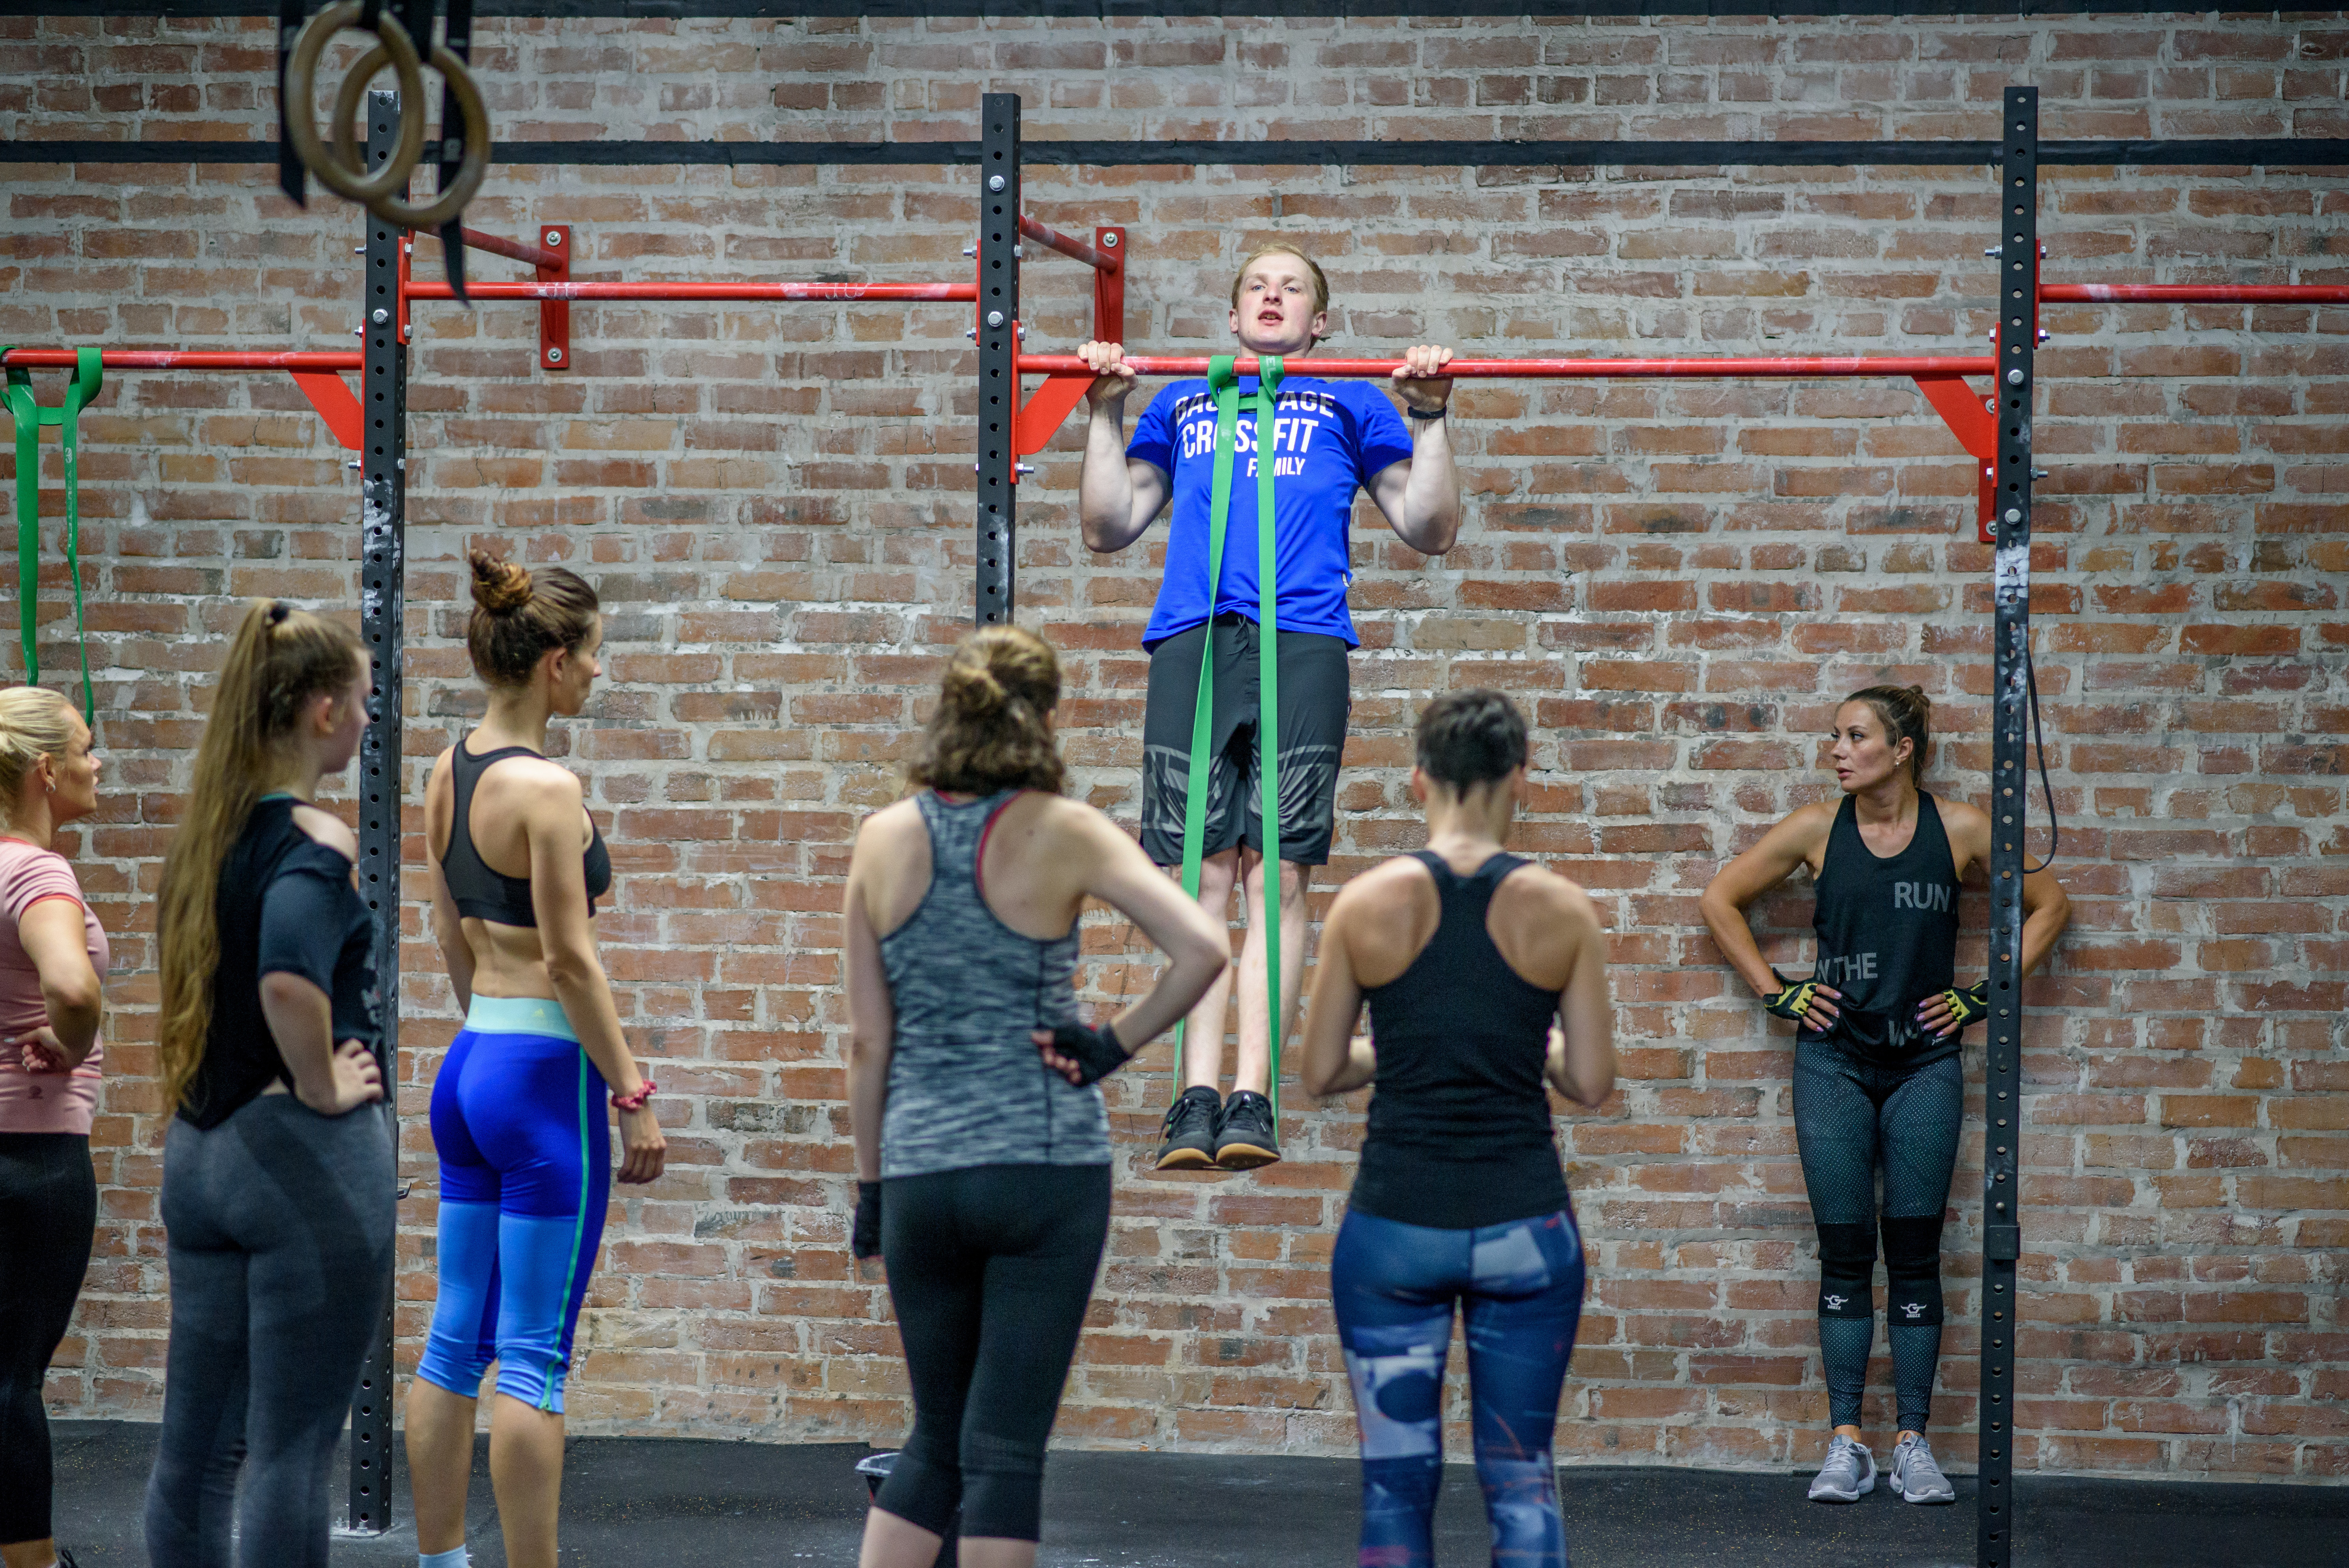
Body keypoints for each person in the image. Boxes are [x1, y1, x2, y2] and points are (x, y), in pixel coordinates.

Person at [1075, 244, 1463, 1172]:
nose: (1275, 296)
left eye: (1295, 288)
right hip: (1196, 636)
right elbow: (1107, 526)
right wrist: (1104, 411)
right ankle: (1193, 1093)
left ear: (1319, 322)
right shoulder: (1183, 401)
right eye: (1259, 285)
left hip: (1304, 639)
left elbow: (1430, 528)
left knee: (1276, 875)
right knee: (1202, 875)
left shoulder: (1349, 401)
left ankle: (1254, 1095)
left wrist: (1434, 418)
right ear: (1236, 313)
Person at [846, 626, 1226, 1568]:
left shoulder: (883, 838)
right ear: (1045, 716)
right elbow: (1205, 950)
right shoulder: (1067, 828)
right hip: (1044, 1170)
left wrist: (872, 1190)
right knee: (1004, 1454)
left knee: (935, 1443)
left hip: (922, 1174)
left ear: (950, 711)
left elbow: (867, 1042)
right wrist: (1110, 1046)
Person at [1698, 684, 2070, 1506]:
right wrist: (1778, 992)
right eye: (1834, 735)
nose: (1837, 749)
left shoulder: (1962, 829)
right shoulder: (1813, 829)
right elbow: (1719, 900)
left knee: (1913, 1255)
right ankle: (1846, 1444)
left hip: (1925, 1067)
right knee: (1843, 1254)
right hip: (1832, 1063)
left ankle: (1911, 1443)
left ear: (1901, 750)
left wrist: (1982, 997)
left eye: (1855, 735)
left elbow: (2051, 906)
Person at [1298, 689, 1615, 1568]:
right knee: (1521, 1478)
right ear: (1520, 777)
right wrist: (1532, 1043)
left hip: (1396, 1233)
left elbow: (1321, 1071)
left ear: (1418, 778)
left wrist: (1397, 1050)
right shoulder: (1563, 908)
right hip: (1526, 1230)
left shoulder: (1366, 904)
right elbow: (1590, 1080)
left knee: (1396, 1485)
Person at [406, 552, 665, 1568]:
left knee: (450, 1338)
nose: (600, 673)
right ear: (555, 662)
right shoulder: (550, 789)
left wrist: (492, 1032)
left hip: (469, 1069)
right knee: (531, 1359)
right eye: (594, 655)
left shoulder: (446, 768)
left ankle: (439, 1562)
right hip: (541, 1084)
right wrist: (630, 1089)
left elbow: (447, 937)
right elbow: (571, 957)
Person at [143, 603, 394, 1568]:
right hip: (301, 1164)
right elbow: (288, 971)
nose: (370, 723)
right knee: (291, 1454)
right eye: (365, 705)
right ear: (322, 711)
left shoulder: (206, 834)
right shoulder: (312, 841)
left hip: (201, 1158)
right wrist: (323, 1079)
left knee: (197, 1456)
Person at [0, 688, 108, 1568]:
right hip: (30, 1158)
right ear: (46, 770)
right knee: (9, 1382)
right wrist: (71, 1040)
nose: (97, 761)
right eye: (85, 747)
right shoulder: (40, 873)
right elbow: (73, 988)